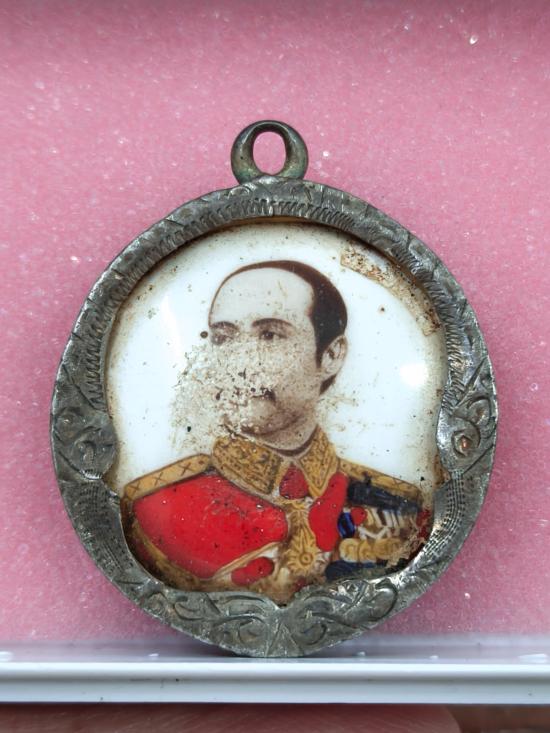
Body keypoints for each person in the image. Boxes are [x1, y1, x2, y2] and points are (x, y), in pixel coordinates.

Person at [121, 261, 429, 604]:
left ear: (331, 355)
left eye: (270, 335)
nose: (240, 363)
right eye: (223, 338)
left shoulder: (397, 508)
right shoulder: (154, 508)